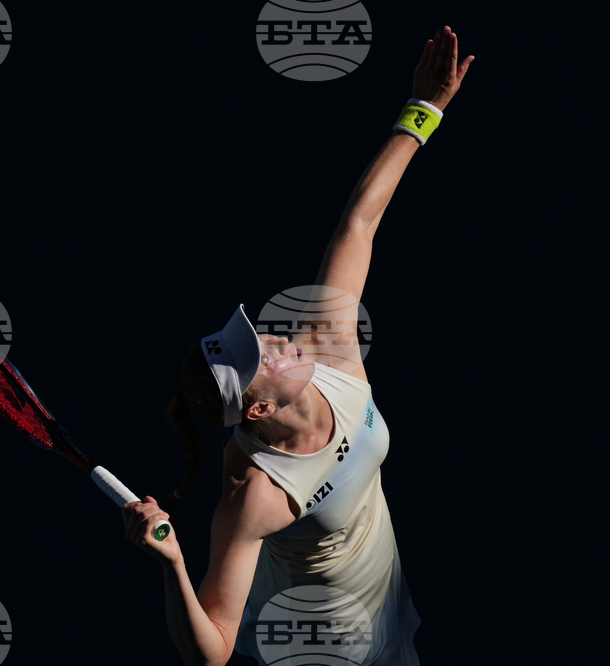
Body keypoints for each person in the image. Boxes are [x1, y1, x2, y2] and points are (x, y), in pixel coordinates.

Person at [122, 25, 474, 666]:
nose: (277, 339)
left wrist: (424, 110)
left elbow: (360, 219)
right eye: (262, 358)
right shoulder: (253, 495)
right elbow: (214, 650)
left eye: (258, 334)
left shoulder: (330, 345)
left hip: (387, 612)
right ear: (256, 411)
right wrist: (172, 562)